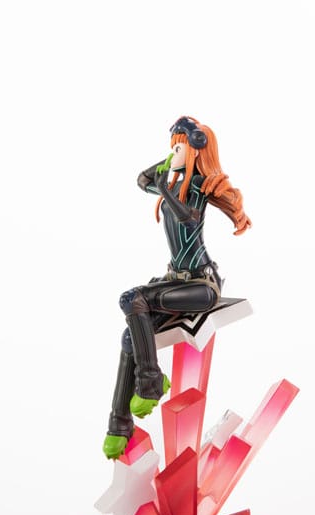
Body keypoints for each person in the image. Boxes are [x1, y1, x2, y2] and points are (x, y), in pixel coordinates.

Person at [103, 116, 252, 459]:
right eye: (172, 147)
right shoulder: (175, 181)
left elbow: (188, 217)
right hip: (175, 281)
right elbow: (142, 181)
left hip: (202, 286)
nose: (174, 153)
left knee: (131, 300)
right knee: (131, 336)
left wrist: (168, 187)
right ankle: (119, 424)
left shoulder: (196, 186)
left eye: (180, 147)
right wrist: (169, 163)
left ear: (197, 148)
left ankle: (150, 381)